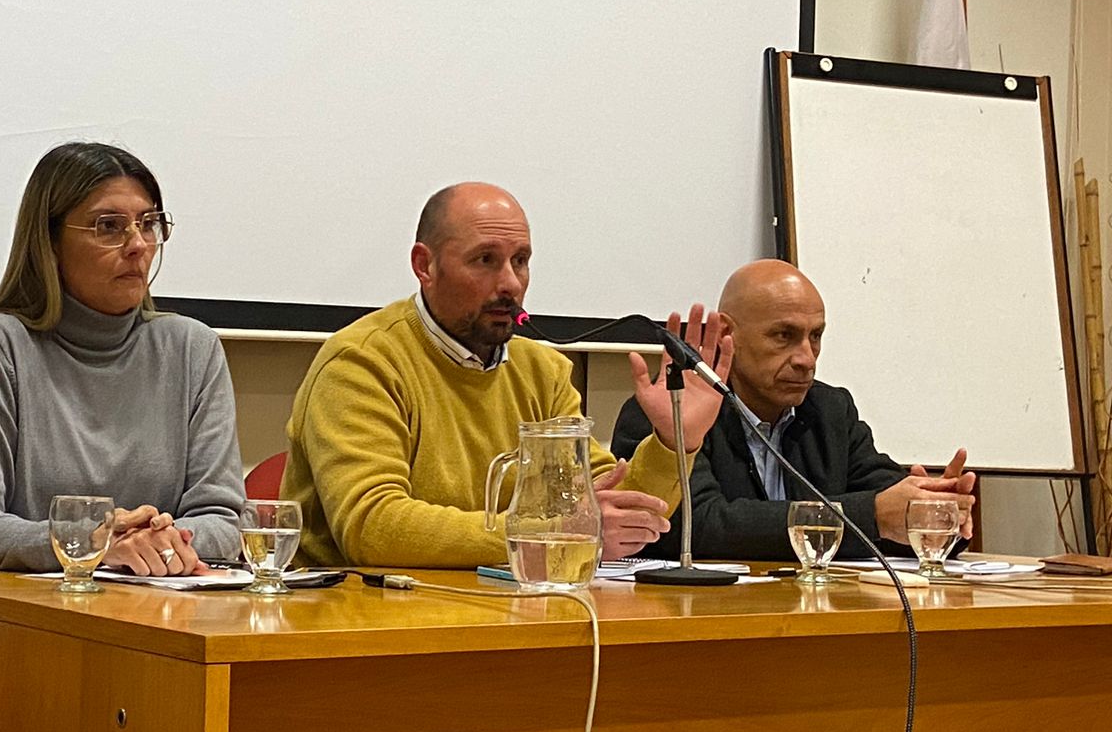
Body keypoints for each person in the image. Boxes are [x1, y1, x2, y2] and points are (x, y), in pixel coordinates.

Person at [282, 182, 731, 567]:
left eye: (521, 260)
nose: (511, 283)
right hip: (356, 625)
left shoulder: (545, 371)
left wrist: (675, 442)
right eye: (485, 260)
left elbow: (606, 504)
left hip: (501, 612)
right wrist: (544, 537)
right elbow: (372, 526)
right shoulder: (363, 363)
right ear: (425, 266)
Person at [0, 142, 244, 576]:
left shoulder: (192, 348)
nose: (138, 245)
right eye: (109, 226)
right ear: (50, 242)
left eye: (148, 224)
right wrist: (87, 541)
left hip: (149, 608)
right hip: (11, 615)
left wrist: (160, 542)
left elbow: (224, 517)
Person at [610, 259, 976, 559]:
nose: (806, 358)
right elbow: (700, 526)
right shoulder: (668, 410)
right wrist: (873, 515)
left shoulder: (829, 409)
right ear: (727, 334)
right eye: (783, 336)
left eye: (815, 336)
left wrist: (936, 511)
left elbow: (887, 501)